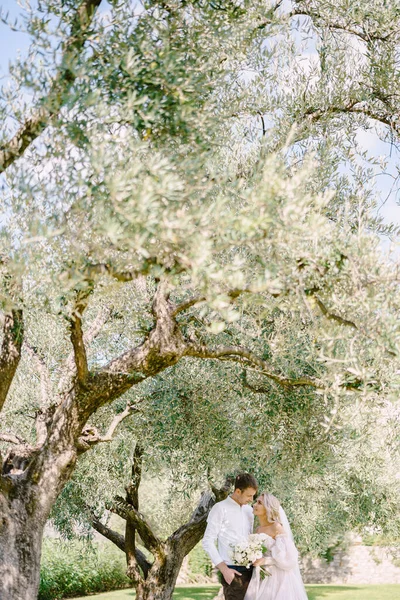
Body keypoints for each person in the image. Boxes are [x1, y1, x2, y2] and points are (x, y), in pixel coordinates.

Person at [202, 473, 258, 600]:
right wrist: (224, 569)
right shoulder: (220, 508)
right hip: (232, 570)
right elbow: (207, 541)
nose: (251, 499)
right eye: (249, 495)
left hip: (251, 571)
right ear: (238, 491)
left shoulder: (249, 511)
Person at [244, 493, 308, 600]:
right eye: (256, 502)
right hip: (261, 575)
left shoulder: (277, 527)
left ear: (268, 508)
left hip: (278, 578)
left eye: (259, 503)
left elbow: (289, 559)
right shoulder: (258, 529)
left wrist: (265, 560)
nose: (254, 505)